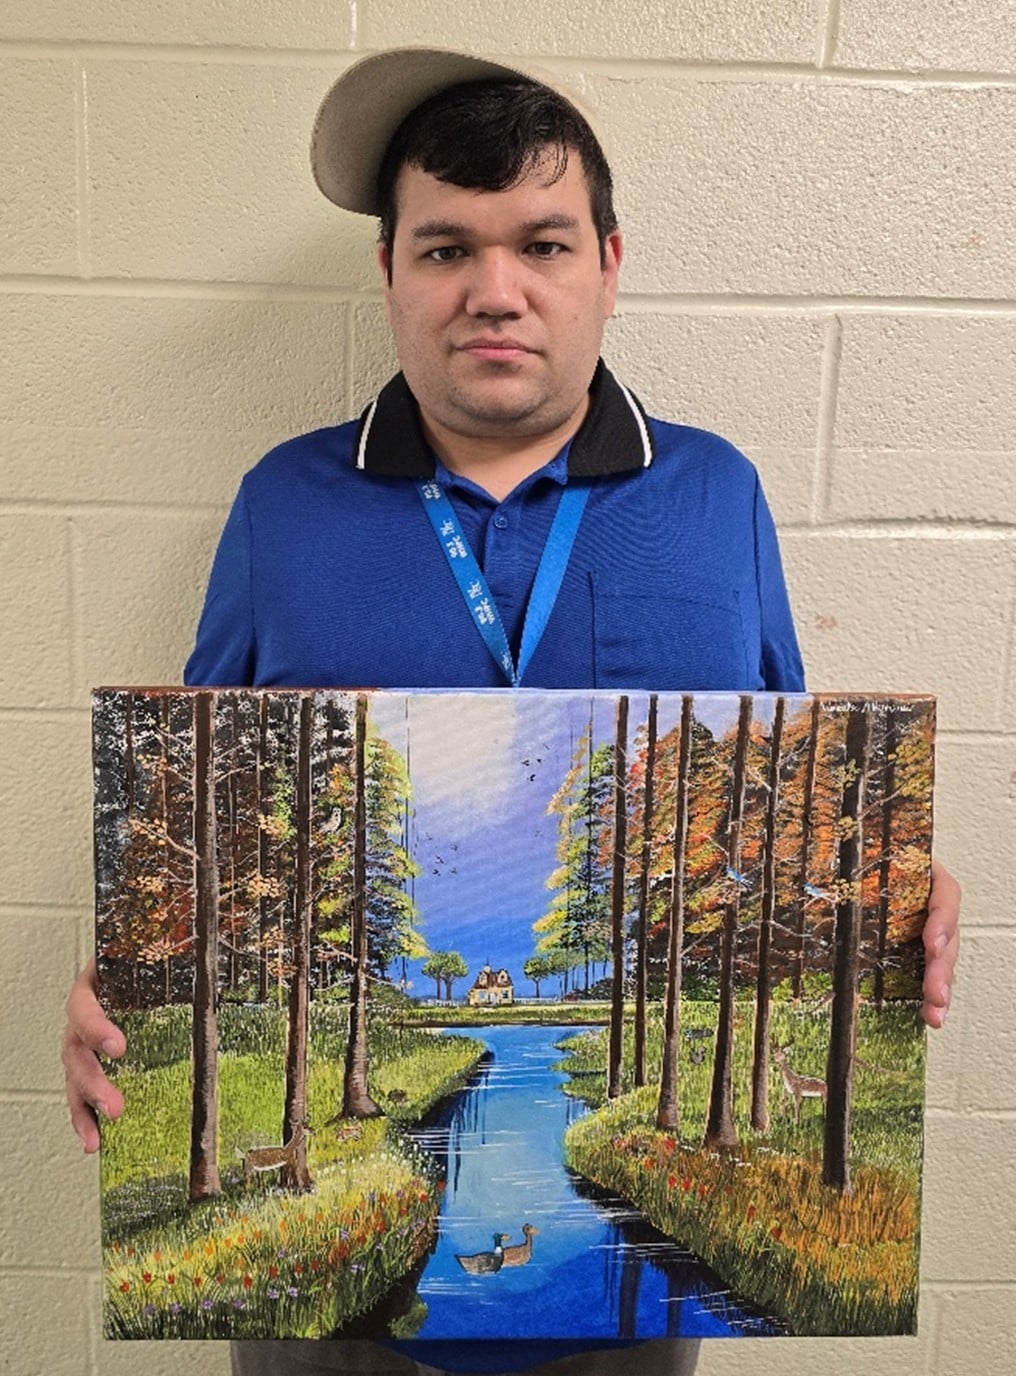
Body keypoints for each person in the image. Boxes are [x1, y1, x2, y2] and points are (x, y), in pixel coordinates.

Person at [63, 46, 961, 1376]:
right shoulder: (282, 502)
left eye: (542, 243)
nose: (496, 291)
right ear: (390, 272)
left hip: (624, 1340)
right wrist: (129, 980)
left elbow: (789, 802)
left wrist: (889, 896)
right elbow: (194, 826)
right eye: (446, 250)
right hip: (322, 1350)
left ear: (608, 261)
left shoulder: (716, 496)